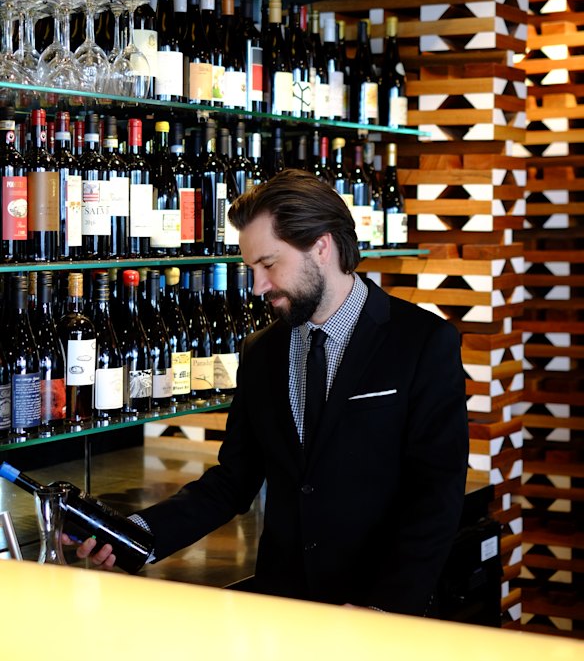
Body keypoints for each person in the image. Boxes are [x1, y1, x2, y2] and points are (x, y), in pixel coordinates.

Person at [76, 168, 469, 616]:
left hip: (380, 609)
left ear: (321, 246)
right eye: (251, 269)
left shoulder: (423, 342)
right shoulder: (262, 351)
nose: (259, 286)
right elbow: (232, 481)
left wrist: (383, 608)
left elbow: (436, 493)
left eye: (268, 264)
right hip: (284, 607)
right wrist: (137, 532)